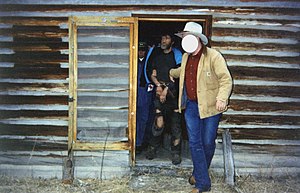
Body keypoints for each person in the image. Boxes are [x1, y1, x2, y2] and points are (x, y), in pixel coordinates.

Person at [169, 22, 233, 193]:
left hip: (211, 107)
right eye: (182, 37)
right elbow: (183, 71)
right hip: (191, 106)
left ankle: (197, 173)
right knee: (195, 143)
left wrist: (222, 98)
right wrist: (171, 72)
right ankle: (202, 184)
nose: (183, 40)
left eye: (186, 36)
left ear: (197, 38)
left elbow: (226, 80)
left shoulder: (214, 56)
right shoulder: (185, 57)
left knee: (207, 142)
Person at [145, 33, 183, 165]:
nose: (163, 40)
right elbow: (153, 74)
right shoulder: (157, 56)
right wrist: (158, 85)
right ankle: (152, 148)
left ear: (172, 41)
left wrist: (166, 89)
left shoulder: (177, 55)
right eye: (162, 38)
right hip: (159, 92)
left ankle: (176, 153)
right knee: (158, 122)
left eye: (166, 38)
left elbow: (178, 75)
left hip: (174, 95)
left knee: (175, 126)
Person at [136, 41, 151, 154]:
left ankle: (141, 143)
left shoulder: (149, 63)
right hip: (134, 96)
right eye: (139, 50)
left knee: (144, 120)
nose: (141, 52)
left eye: (143, 50)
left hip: (144, 97)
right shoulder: (133, 62)